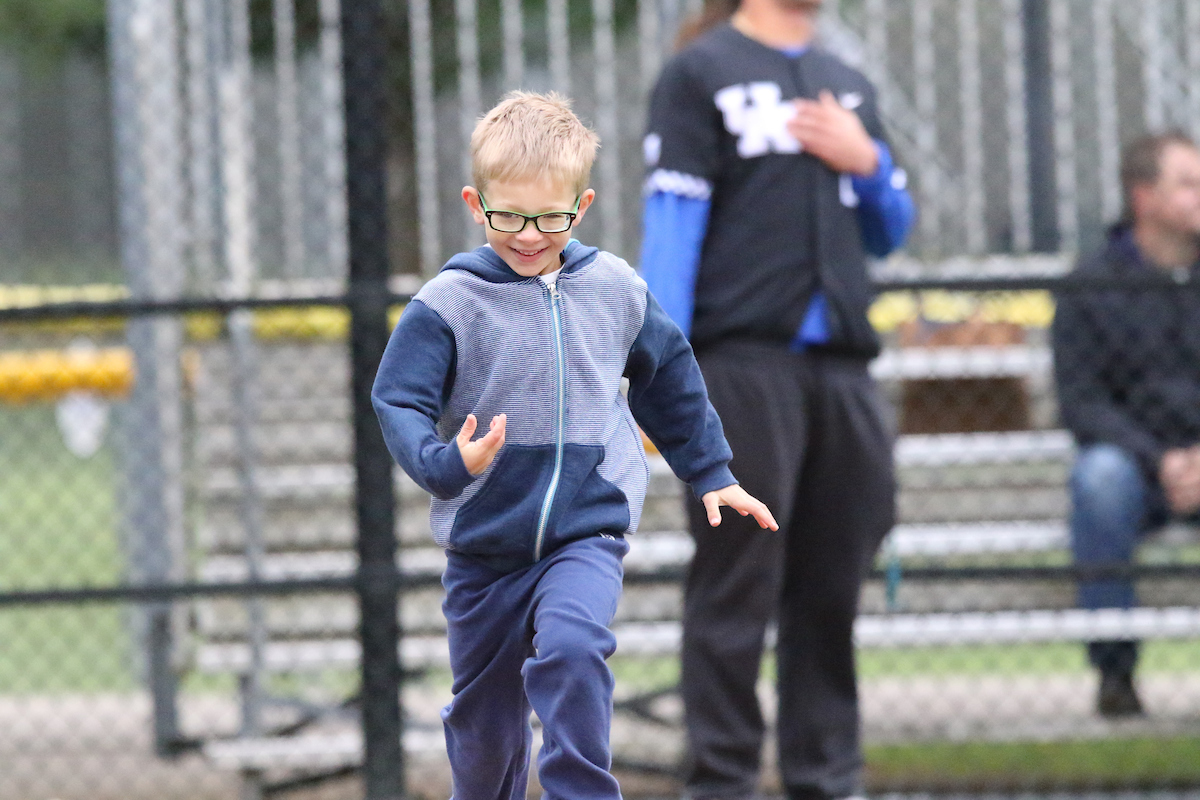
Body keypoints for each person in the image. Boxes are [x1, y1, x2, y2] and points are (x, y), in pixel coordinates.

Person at [372, 91, 778, 800]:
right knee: (487, 723)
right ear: (476, 203)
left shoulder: (614, 288)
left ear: (581, 206)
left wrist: (710, 471)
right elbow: (398, 399)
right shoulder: (449, 303)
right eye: (508, 217)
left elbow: (670, 375)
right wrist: (446, 464)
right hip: (485, 550)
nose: (529, 236)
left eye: (550, 219)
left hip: (583, 532)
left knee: (573, 647)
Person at [638, 0, 915, 798]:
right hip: (742, 369)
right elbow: (672, 225)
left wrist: (869, 163)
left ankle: (825, 779)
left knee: (830, 591)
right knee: (736, 586)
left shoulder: (846, 82)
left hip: (844, 376)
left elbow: (889, 230)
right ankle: (720, 781)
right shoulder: (701, 73)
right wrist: (661, 374)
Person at [1052, 131, 1200, 718]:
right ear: (1144, 198)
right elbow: (1082, 404)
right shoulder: (1090, 285)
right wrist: (1160, 461)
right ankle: (1116, 675)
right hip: (1137, 470)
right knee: (1099, 479)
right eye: (1187, 183)